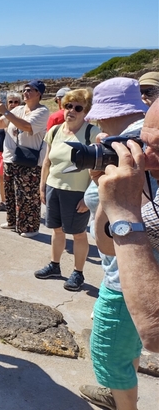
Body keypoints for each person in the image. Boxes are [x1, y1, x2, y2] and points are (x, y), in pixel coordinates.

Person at [75, 78, 150, 410]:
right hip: (139, 271)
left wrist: (104, 197)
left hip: (124, 277)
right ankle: (120, 394)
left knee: (106, 350)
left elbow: (108, 242)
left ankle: (124, 402)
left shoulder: (134, 161)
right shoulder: (141, 151)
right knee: (128, 346)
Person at [36, 88, 100, 291]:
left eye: (78, 107)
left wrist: (89, 197)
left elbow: (99, 168)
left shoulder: (92, 133)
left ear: (85, 111)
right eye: (68, 106)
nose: (71, 110)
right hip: (54, 187)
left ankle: (78, 273)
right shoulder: (55, 131)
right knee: (56, 230)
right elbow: (47, 161)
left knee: (78, 234)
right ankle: (54, 265)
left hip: (77, 192)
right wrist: (42, 185)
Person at [0, 80, 50, 237]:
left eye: (30, 90)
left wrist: (6, 111)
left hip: (30, 158)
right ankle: (13, 222)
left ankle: (30, 227)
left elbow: (27, 127)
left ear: (39, 94)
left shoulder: (42, 111)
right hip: (11, 157)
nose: (26, 92)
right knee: (11, 194)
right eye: (25, 89)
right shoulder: (18, 110)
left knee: (28, 196)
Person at [0, 92, 22, 212]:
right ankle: (4, 201)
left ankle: (15, 203)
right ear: (7, 104)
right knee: (2, 179)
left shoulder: (20, 119)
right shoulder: (2, 120)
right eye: (11, 102)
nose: (13, 104)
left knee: (15, 181)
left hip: (16, 155)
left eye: (16, 102)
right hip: (1, 153)